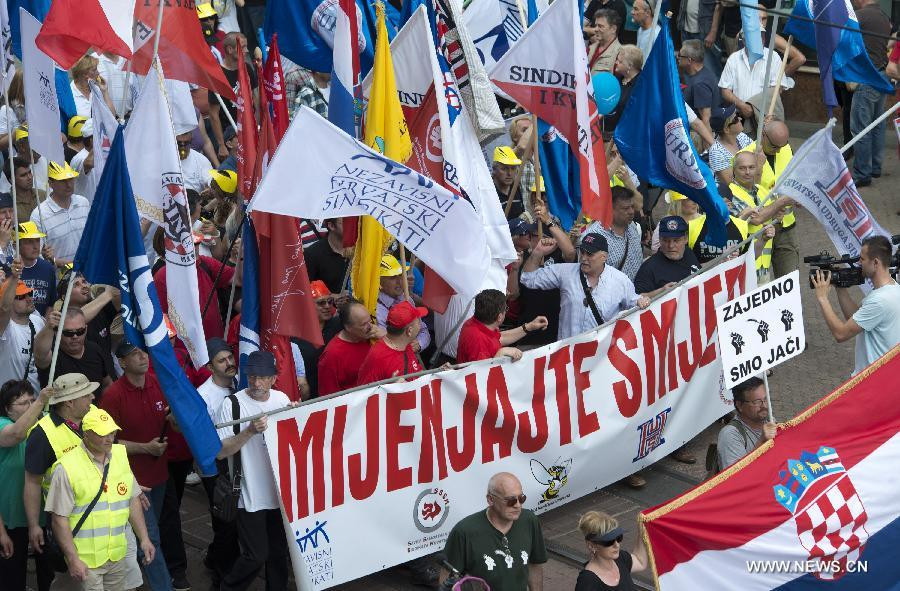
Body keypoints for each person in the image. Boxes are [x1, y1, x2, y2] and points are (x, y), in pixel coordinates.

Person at [45, 407, 154, 589]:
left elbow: (131, 499)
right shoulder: (66, 467)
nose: (109, 438)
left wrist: (144, 538)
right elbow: (59, 519)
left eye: (112, 432)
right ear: (86, 434)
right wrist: (73, 559)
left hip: (116, 555)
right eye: (103, 433)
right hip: (86, 560)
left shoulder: (120, 455)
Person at [215, 350, 293, 591]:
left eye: (262, 377)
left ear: (273, 378)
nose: (257, 383)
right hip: (248, 495)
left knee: (279, 555)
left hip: (279, 494)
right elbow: (220, 451)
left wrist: (297, 414)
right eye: (252, 377)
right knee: (255, 555)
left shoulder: (281, 400)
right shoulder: (232, 404)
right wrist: (249, 431)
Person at [100, 341, 176, 591]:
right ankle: (161, 586)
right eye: (135, 355)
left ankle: (134, 578)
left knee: (151, 532)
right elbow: (107, 442)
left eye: (144, 352)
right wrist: (145, 448)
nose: (144, 357)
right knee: (149, 535)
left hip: (160, 474)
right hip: (132, 480)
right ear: (122, 363)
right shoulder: (112, 396)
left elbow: (169, 420)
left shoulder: (157, 383)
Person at [23, 373, 96, 580]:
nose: (93, 398)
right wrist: (34, 525)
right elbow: (32, 482)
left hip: (99, 516)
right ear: (70, 402)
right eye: (86, 394)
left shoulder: (94, 416)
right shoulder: (42, 434)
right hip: (66, 521)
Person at [521, 234, 650, 341]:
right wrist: (538, 252)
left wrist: (641, 301)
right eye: (582, 252)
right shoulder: (565, 272)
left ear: (603, 257)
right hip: (567, 354)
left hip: (601, 358)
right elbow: (528, 279)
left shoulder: (621, 281)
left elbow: (634, 303)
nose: (583, 258)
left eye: (590, 254)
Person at [441, 472, 547, 591]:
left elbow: (534, 565)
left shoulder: (529, 520)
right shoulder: (464, 532)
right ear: (491, 499)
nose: (517, 505)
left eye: (521, 498)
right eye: (511, 501)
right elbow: (447, 577)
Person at [812, 235, 900, 375]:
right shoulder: (893, 288)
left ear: (875, 263)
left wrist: (823, 298)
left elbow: (841, 334)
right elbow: (857, 318)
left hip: (872, 381)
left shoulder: (879, 301)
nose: (859, 262)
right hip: (883, 376)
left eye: (863, 259)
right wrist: (840, 288)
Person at [0, 380, 54, 591]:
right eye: (24, 403)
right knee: (12, 579)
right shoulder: (3, 425)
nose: (31, 406)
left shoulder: (43, 424)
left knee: (49, 577)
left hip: (43, 518)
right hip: (10, 522)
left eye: (32, 400)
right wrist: (41, 401)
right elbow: (15, 435)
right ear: (7, 408)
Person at [195, 338, 240, 583]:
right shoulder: (205, 395)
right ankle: (222, 572)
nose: (229, 363)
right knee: (224, 520)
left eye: (230, 357)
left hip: (240, 462)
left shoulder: (241, 382)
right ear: (210, 367)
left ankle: (215, 558)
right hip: (216, 467)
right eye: (221, 361)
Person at [738, 121, 798, 278]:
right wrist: (758, 169)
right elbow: (746, 194)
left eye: (782, 146)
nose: (778, 151)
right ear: (763, 135)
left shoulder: (785, 149)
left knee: (788, 279)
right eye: (774, 147)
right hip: (760, 230)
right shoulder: (744, 158)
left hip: (785, 224)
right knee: (759, 282)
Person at [848, 0, 891, 187]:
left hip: (866, 78)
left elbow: (844, 39)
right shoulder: (883, 17)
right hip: (881, 75)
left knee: (861, 128)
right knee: (877, 125)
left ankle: (862, 173)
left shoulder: (860, 16)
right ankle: (875, 166)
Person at [0, 264, 57, 391]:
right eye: (21, 297)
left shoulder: (37, 321)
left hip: (35, 401)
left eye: (29, 293)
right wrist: (14, 277)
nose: (29, 299)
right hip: (10, 405)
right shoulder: (5, 328)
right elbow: (4, 308)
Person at [36, 308, 115, 396]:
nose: (75, 336)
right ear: (57, 332)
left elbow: (107, 384)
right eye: (68, 333)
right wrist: (48, 327)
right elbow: (40, 353)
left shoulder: (95, 349)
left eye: (80, 331)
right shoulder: (52, 355)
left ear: (86, 329)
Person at [456, 289, 548, 363]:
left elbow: (499, 338)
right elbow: (482, 375)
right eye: (506, 308)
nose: (506, 311)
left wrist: (529, 326)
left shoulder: (475, 322)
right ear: (499, 317)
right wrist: (501, 353)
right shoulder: (478, 341)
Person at [718, 43, 794, 130]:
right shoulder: (733, 58)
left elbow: (777, 89)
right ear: (744, 38)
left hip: (765, 117)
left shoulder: (773, 56)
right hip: (738, 118)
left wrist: (753, 107)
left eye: (762, 35)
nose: (759, 39)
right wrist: (742, 106)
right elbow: (725, 91)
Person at [30, 161, 90, 269]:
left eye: (71, 179)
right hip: (60, 280)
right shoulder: (39, 214)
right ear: (51, 183)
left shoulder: (83, 203)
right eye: (63, 181)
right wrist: (54, 261)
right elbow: (36, 254)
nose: (69, 184)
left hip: (88, 273)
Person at [317, 299, 379, 395]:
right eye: (363, 324)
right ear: (348, 327)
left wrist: (385, 336)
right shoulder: (332, 355)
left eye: (369, 320)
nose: (370, 326)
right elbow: (328, 397)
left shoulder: (372, 337)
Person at [575, 511, 648, 591]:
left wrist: (642, 532)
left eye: (618, 538)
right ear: (592, 546)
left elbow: (640, 562)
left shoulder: (620, 558)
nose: (616, 545)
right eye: (609, 541)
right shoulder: (588, 581)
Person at [582, 186, 643, 281]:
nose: (631, 212)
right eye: (625, 208)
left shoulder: (631, 226)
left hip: (638, 291)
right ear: (610, 209)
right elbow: (587, 276)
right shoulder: (593, 236)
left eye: (632, 207)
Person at [358, 301, 427, 384]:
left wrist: (440, 374)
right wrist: (392, 390)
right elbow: (364, 393)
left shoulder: (406, 345)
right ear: (409, 331)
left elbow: (417, 374)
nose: (420, 326)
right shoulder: (378, 358)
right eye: (419, 323)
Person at [716, 377, 777, 469]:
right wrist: (762, 441)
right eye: (757, 402)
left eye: (765, 399)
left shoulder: (770, 421)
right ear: (739, 405)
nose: (764, 406)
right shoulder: (730, 435)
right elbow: (737, 477)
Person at [634, 216, 701, 297]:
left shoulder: (688, 252)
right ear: (659, 239)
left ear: (685, 239)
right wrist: (661, 291)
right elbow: (636, 300)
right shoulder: (648, 268)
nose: (671, 245)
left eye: (676, 240)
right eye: (666, 240)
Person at [376, 255, 431, 353]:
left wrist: (419, 343)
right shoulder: (376, 310)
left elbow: (423, 329)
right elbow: (388, 344)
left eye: (401, 275)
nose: (399, 281)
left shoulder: (407, 299)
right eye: (392, 277)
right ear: (379, 281)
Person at [678, 39, 721, 133]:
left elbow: (706, 120)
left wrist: (708, 147)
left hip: (697, 134)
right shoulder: (704, 73)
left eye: (680, 55)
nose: (678, 58)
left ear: (689, 60)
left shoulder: (700, 84)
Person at [18, 222, 57, 315]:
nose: (35, 246)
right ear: (17, 245)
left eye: (37, 240)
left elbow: (51, 304)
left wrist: (45, 326)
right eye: (29, 242)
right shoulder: (11, 269)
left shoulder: (48, 268)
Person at [603, 45, 643, 133]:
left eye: (620, 61)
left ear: (630, 65)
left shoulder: (641, 85)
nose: (616, 62)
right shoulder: (617, 79)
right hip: (607, 131)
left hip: (626, 135)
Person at [707, 105, 752, 183]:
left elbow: (757, 152)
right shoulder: (716, 152)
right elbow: (730, 183)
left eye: (738, 115)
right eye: (735, 119)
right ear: (727, 129)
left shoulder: (741, 136)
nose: (740, 118)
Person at [305, 218, 349, 294]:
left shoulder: (360, 250)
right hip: (327, 304)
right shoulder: (312, 254)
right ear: (331, 226)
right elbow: (306, 291)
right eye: (347, 223)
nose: (352, 227)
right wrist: (332, 297)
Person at [3, 156, 42, 222]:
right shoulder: (7, 205)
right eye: (23, 175)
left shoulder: (42, 195)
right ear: (11, 180)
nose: (29, 177)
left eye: (30, 172)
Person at [176, 128, 215, 193]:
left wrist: (209, 189)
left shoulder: (201, 160)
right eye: (179, 143)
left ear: (191, 140)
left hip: (195, 200)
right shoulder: (161, 158)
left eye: (186, 143)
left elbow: (209, 181)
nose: (182, 147)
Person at [493, 146, 526, 219]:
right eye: (504, 168)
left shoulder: (516, 187)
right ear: (494, 169)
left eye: (513, 168)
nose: (509, 173)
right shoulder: (490, 192)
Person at [587, 10, 623, 74]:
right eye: (596, 25)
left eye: (600, 26)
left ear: (613, 29)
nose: (596, 29)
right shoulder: (589, 49)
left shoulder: (620, 54)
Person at [631, 0, 659, 64]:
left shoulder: (656, 35)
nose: (632, 12)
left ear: (648, 13)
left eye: (636, 9)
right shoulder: (640, 30)